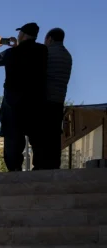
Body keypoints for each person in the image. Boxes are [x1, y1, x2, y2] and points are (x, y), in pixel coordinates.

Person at [0, 22, 48, 171]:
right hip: (36, 103)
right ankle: (39, 174)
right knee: (38, 142)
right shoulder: (42, 51)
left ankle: (15, 175)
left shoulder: (11, 53)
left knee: (13, 145)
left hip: (13, 104)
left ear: (23, 35)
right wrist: (17, 47)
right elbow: (28, 55)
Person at [37, 28, 72, 169]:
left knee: (41, 135)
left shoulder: (46, 52)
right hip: (59, 100)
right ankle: (54, 165)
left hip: (45, 99)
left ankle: (41, 165)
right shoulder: (67, 55)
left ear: (49, 39)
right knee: (54, 134)